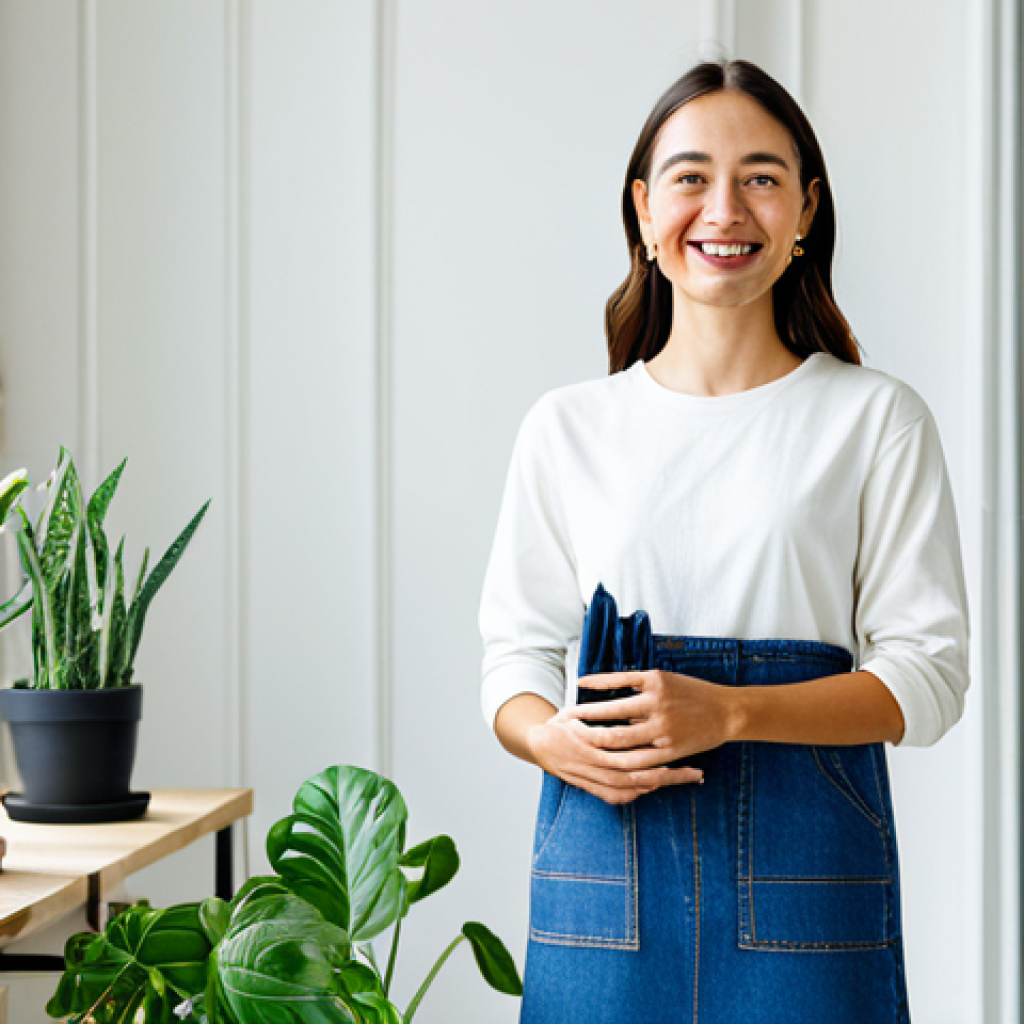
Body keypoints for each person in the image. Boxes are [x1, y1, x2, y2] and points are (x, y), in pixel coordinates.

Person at [478, 59, 969, 1024]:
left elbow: (929, 677)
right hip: (604, 868)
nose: (724, 210)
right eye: (692, 177)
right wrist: (550, 738)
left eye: (761, 178)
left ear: (805, 210)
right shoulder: (566, 427)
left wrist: (732, 711)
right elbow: (514, 659)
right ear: (643, 209)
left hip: (806, 876)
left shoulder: (877, 419)